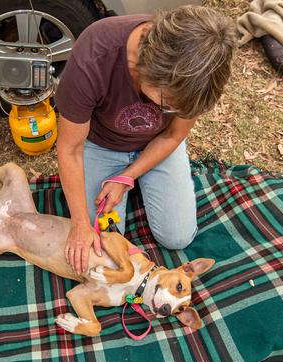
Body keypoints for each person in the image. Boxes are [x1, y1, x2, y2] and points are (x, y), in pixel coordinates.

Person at [54, 5, 237, 274]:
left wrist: (127, 177)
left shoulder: (200, 77)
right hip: (101, 143)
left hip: (158, 144)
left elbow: (174, 134)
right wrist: (79, 224)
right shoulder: (95, 54)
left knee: (177, 237)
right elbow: (70, 149)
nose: (172, 111)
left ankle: (140, 180)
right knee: (101, 242)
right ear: (150, 71)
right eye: (169, 104)